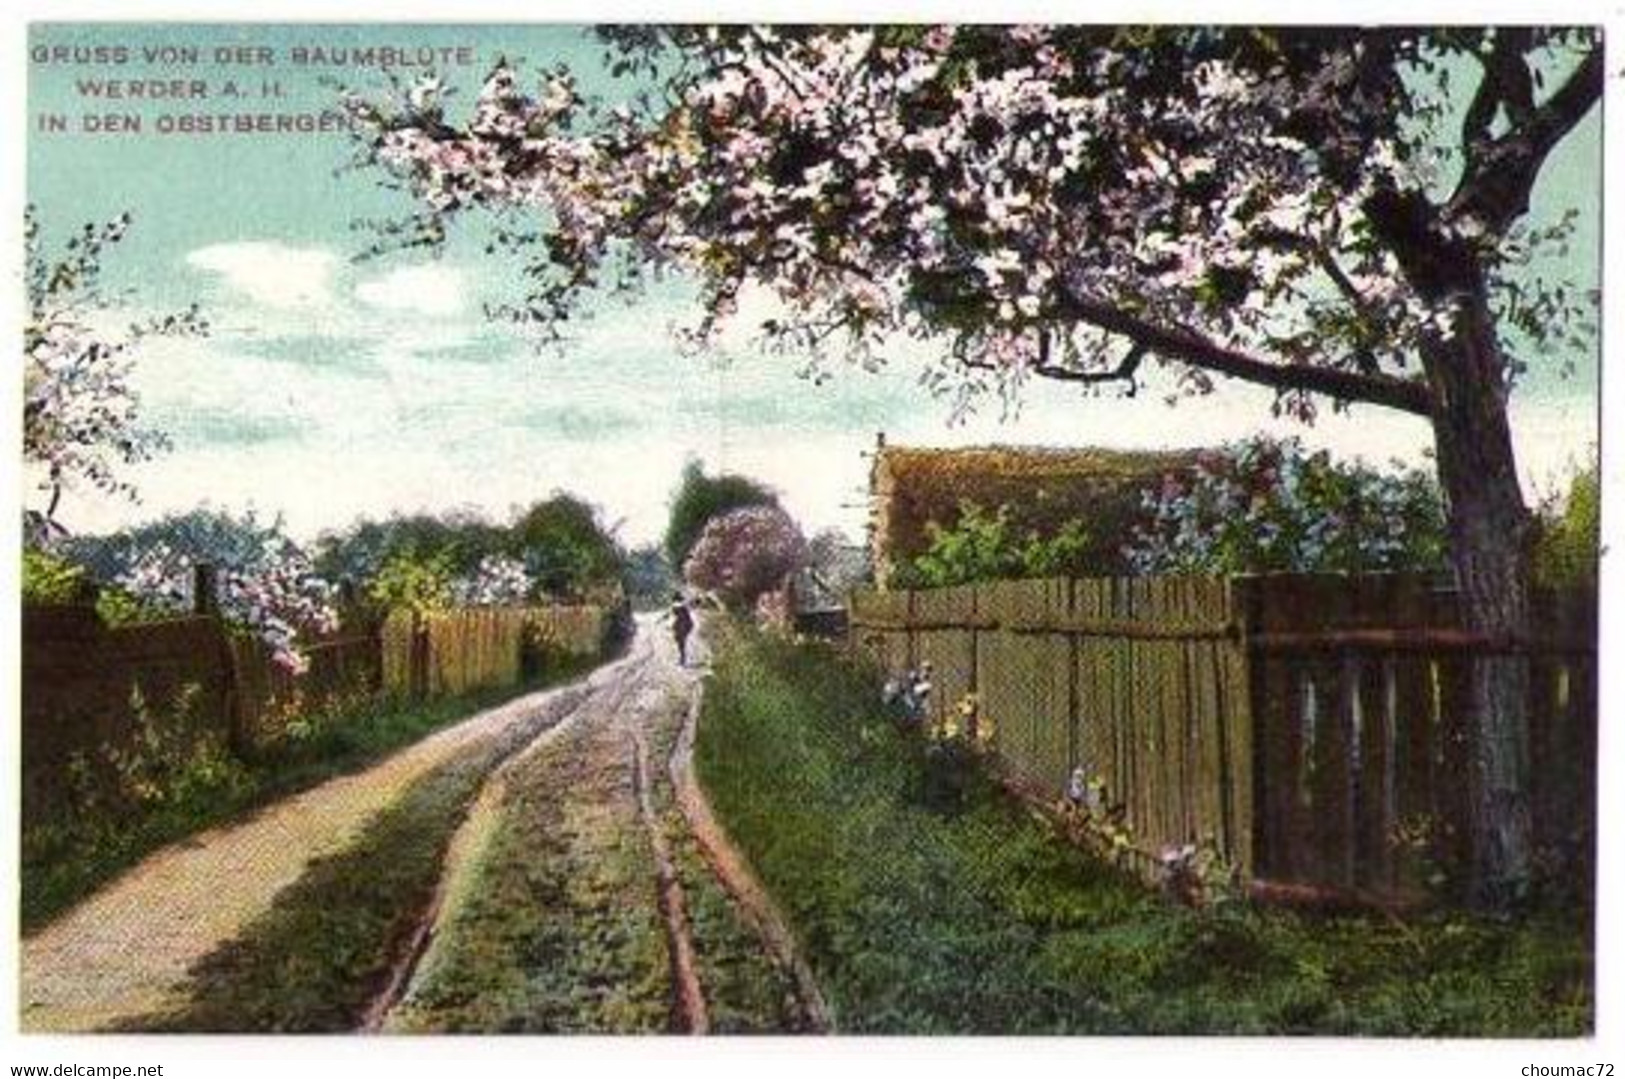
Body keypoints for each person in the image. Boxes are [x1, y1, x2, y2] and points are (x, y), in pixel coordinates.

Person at [670, 592, 696, 667]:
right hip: (686, 624)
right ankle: (683, 658)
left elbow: (679, 617)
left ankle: (683, 659)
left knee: (681, 641)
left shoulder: (678, 606)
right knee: (681, 641)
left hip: (684, 625)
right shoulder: (681, 605)